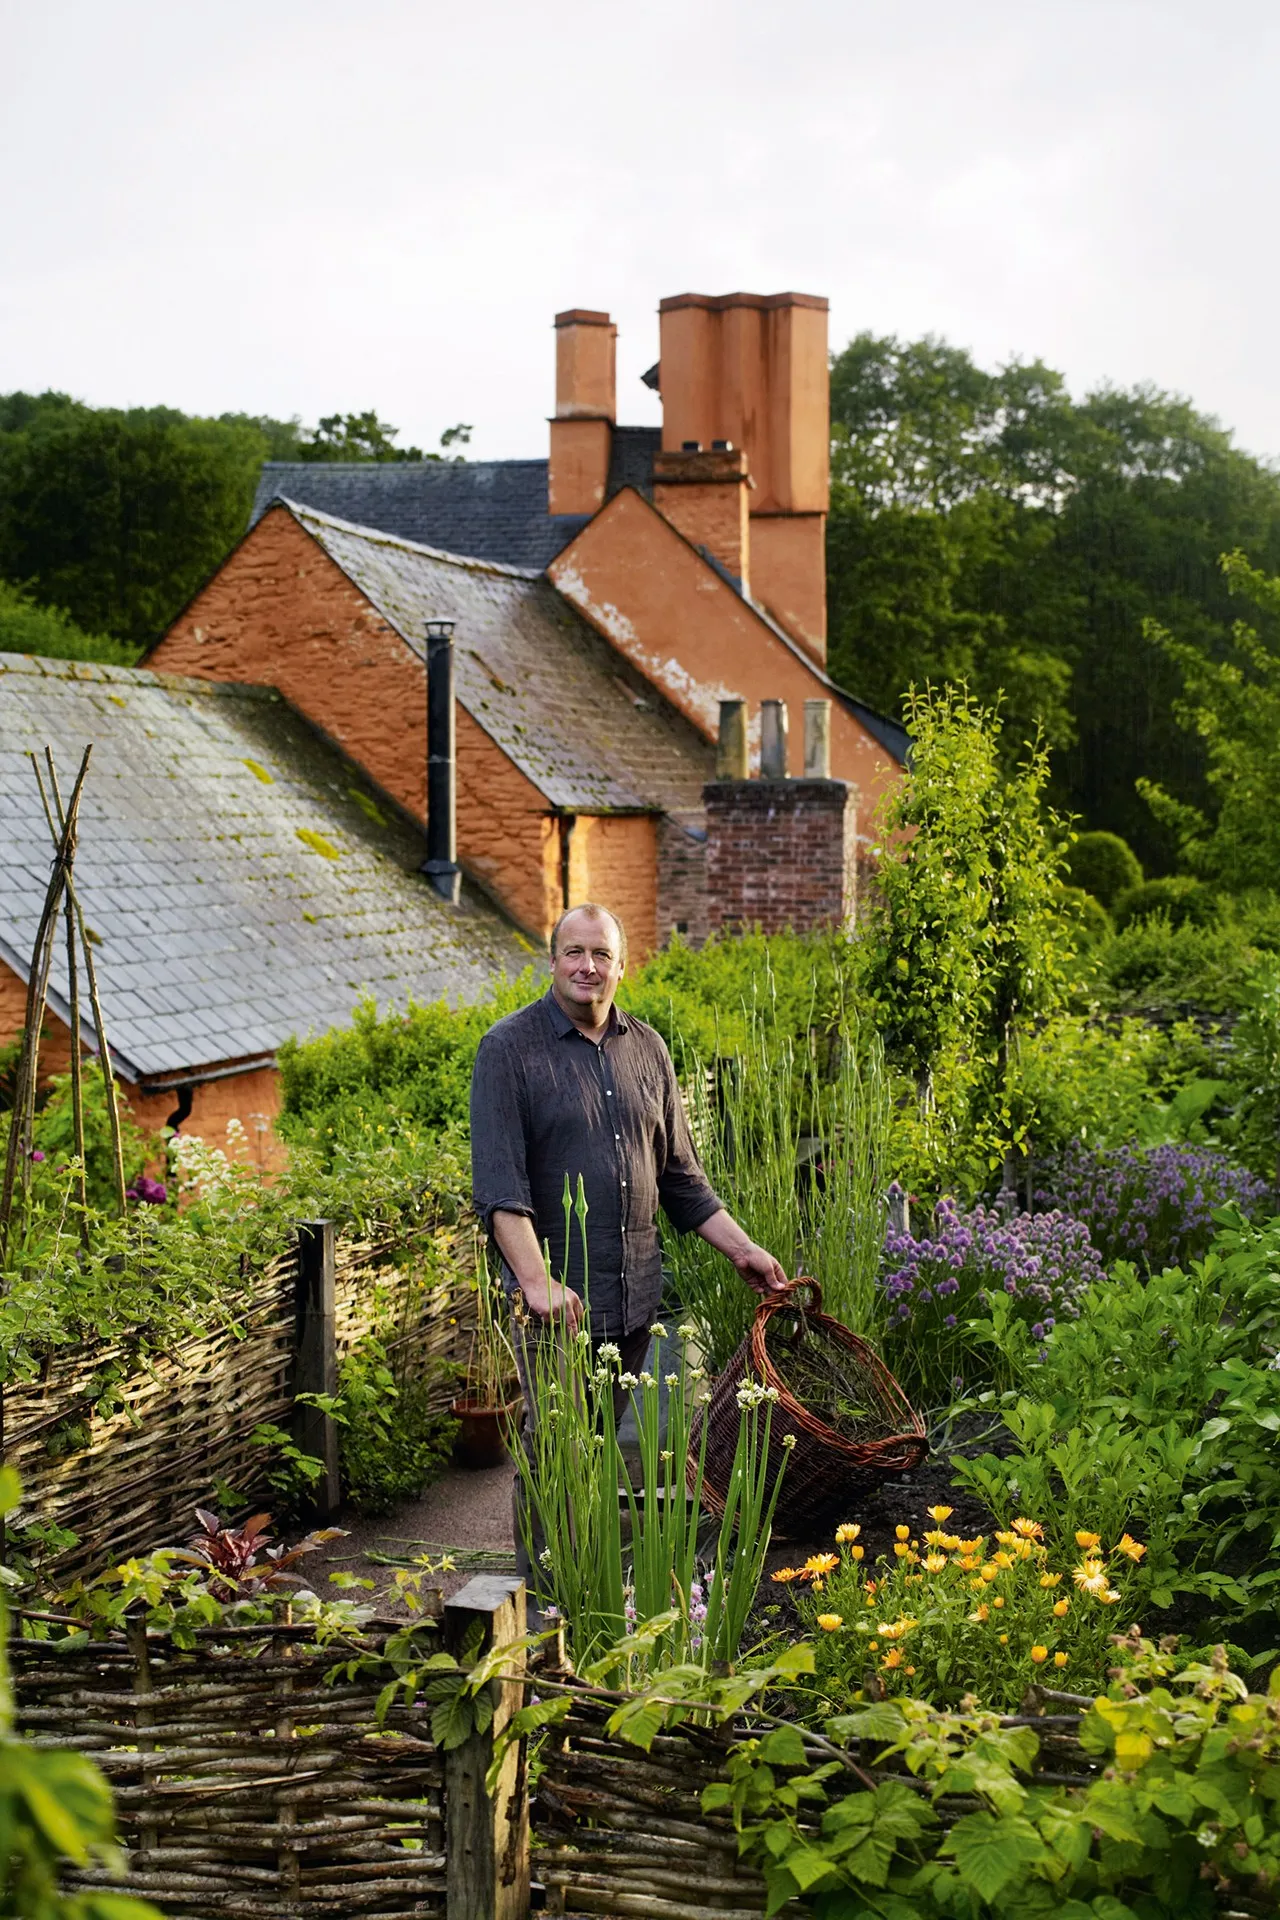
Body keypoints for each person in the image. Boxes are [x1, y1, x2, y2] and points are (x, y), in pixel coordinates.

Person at [469, 901, 788, 1579]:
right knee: (555, 1450)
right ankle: (546, 1599)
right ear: (551, 961)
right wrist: (535, 1283)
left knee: (595, 1446)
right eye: (574, 953)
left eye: (601, 954)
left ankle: (589, 1591)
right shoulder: (508, 1050)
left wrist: (744, 1250)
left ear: (622, 965)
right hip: (556, 1308)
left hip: (632, 1299)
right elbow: (501, 1188)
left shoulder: (649, 1049)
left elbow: (682, 1178)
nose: (588, 967)